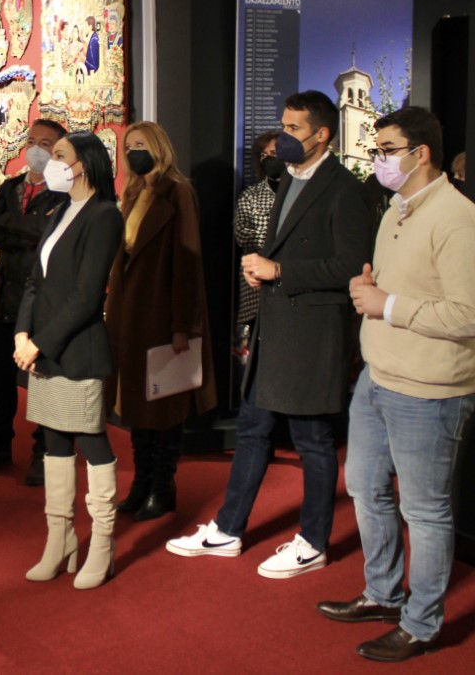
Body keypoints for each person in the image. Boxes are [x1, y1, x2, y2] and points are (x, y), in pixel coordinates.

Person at [167, 90, 373, 578]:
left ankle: (314, 540)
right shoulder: (287, 179)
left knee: (313, 439)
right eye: (282, 127)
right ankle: (228, 529)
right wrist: (267, 272)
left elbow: (351, 264)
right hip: (274, 330)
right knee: (254, 430)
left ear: (323, 135)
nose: (283, 138)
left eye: (294, 130)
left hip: (312, 334)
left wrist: (279, 270)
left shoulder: (345, 189)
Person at [317, 107, 475, 662]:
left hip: (430, 390)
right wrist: (373, 288)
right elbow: (392, 287)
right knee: (363, 486)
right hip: (378, 378)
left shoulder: (458, 218)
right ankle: (383, 593)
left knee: (426, 511)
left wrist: (390, 305)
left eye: (386, 148)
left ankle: (422, 623)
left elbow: (468, 313)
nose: (376, 157)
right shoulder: (394, 210)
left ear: (420, 153)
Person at [14, 131, 124, 589]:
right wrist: (22, 331)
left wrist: (39, 343)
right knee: (54, 440)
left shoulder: (104, 216)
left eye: (59, 155)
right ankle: (59, 540)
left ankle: (102, 542)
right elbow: (35, 282)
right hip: (42, 346)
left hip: (77, 350)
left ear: (84, 164)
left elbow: (85, 297)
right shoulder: (58, 211)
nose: (48, 162)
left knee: (91, 441)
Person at [104, 120, 216, 521]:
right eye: (129, 144)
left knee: (162, 405)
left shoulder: (178, 191)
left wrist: (182, 324)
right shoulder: (132, 191)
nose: (134, 150)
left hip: (160, 311)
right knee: (136, 404)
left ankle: (162, 485)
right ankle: (142, 482)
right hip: (129, 314)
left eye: (141, 144)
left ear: (158, 147)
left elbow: (188, 261)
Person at [0, 118, 67, 484]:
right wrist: (26, 228)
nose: (37, 149)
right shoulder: (10, 188)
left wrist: (14, 227)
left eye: (47, 143)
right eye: (32, 141)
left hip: (42, 301)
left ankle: (44, 450)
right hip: (5, 297)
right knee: (0, 378)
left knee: (42, 379)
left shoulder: (64, 195)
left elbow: (50, 237)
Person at [234, 131, 282, 344]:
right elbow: (243, 235)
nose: (268, 159)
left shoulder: (300, 193)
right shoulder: (250, 196)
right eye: (263, 155)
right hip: (257, 291)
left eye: (273, 153)